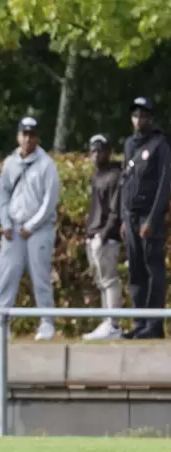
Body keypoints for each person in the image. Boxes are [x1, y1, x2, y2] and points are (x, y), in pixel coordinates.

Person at [0, 117, 59, 341]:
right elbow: (2, 194)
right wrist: (5, 222)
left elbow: (50, 201)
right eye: (24, 134)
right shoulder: (10, 162)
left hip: (39, 229)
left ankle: (47, 323)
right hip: (12, 228)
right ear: (18, 136)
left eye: (32, 135)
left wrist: (31, 226)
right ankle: (1, 323)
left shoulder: (46, 164)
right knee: (6, 275)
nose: (28, 139)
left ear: (38, 138)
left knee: (40, 275)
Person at [120, 97, 171, 339]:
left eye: (143, 115)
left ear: (151, 118)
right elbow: (125, 181)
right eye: (135, 115)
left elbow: (164, 185)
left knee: (154, 269)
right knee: (135, 271)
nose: (138, 120)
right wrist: (123, 217)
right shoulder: (130, 144)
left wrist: (152, 219)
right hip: (130, 217)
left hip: (149, 217)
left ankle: (154, 324)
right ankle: (140, 322)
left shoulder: (160, 144)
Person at [83, 134, 123, 340]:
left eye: (100, 150)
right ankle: (106, 322)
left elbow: (115, 211)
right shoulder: (97, 174)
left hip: (106, 237)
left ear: (109, 151)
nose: (96, 154)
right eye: (93, 150)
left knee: (109, 281)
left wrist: (103, 235)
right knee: (101, 282)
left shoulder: (115, 175)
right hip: (94, 234)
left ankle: (113, 324)